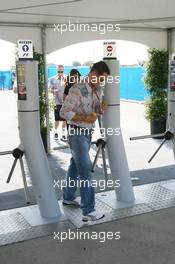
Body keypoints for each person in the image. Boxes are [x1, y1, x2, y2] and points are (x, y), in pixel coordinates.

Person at [60, 61, 110, 222]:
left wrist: (100, 109)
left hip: (87, 133)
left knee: (75, 166)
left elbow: (94, 111)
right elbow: (64, 111)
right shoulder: (77, 88)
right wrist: (84, 118)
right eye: (101, 79)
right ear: (93, 73)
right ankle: (88, 210)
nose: (102, 82)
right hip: (77, 134)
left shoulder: (96, 90)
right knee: (85, 171)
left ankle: (67, 197)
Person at [49, 65, 66, 140]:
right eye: (59, 71)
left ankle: (63, 133)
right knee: (57, 119)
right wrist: (53, 91)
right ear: (57, 71)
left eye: (61, 71)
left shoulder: (66, 78)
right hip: (56, 102)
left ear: (63, 71)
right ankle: (55, 132)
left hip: (65, 102)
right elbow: (49, 89)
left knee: (64, 119)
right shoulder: (52, 79)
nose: (60, 73)